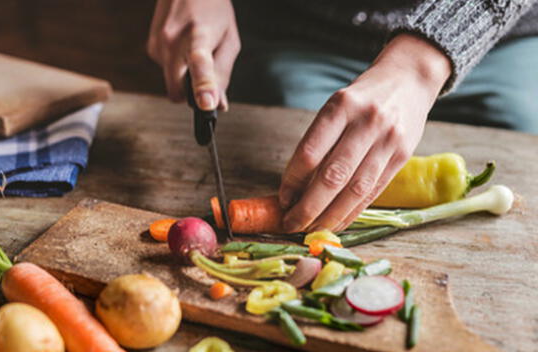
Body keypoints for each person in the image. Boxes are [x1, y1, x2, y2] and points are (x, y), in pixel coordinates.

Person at [147, 0, 538, 233]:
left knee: (523, 144)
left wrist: (420, 64)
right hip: (301, 32)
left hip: (493, 35)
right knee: (302, 164)